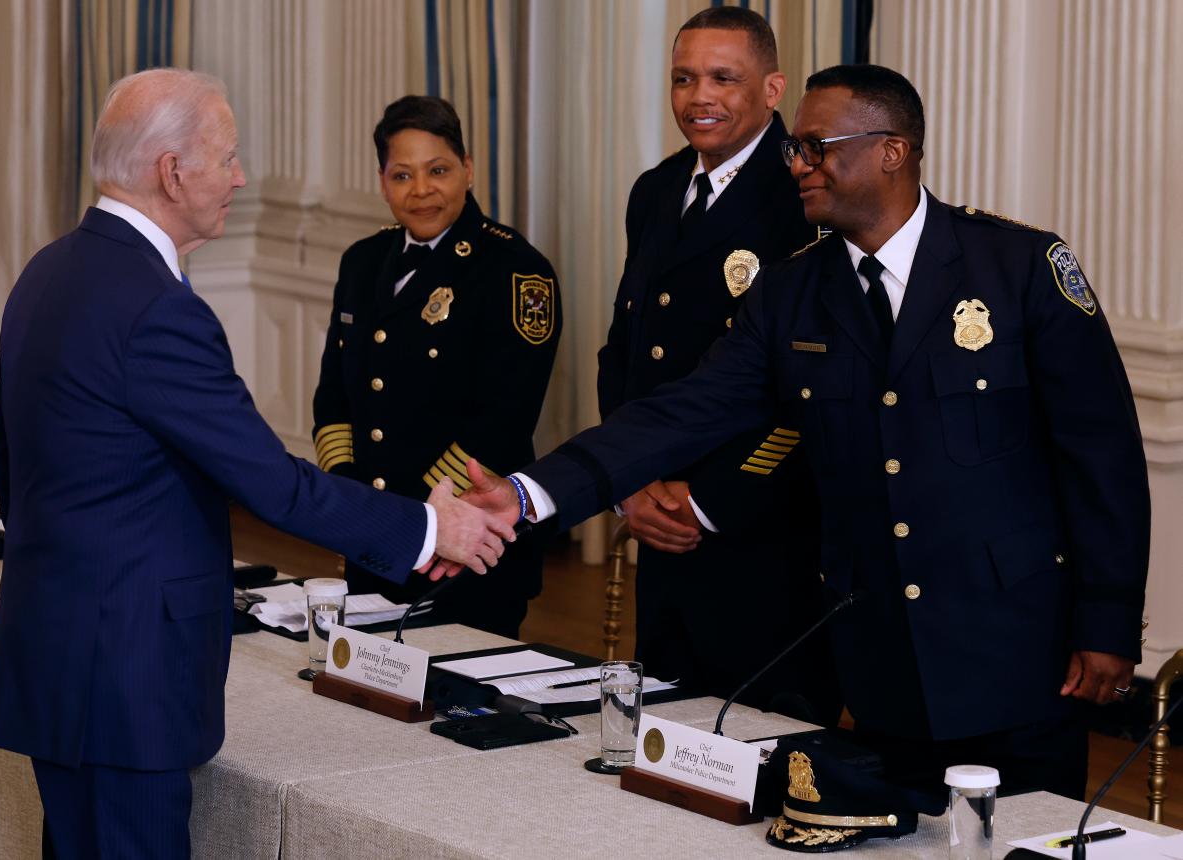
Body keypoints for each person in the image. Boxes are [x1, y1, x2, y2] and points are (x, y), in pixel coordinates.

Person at [459, 64, 1149, 801]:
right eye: (794, 149)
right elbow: (682, 411)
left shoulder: (1019, 267)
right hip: (881, 658)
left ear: (893, 150)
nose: (797, 165)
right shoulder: (792, 293)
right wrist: (532, 494)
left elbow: (1101, 455)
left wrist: (1107, 623)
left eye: (817, 147)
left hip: (1018, 649)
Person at [0, 69, 514, 858]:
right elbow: (271, 481)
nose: (239, 177)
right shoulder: (158, 307)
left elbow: (9, 461)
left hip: (55, 652)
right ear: (172, 172)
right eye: (227, 159)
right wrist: (427, 528)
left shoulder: (50, 269)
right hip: (127, 675)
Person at [597, 6, 838, 720]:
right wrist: (630, 477)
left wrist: (704, 500)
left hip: (762, 527)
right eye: (683, 78)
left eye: (723, 78)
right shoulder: (657, 190)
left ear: (772, 90)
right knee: (669, 739)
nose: (699, 95)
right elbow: (627, 351)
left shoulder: (807, 198)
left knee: (765, 749)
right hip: (658, 518)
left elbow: (811, 387)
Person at [311, 96, 561, 638]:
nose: (421, 190)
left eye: (438, 170)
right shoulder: (362, 262)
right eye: (402, 174)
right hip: (378, 535)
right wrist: (354, 497)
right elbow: (334, 397)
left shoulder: (517, 271)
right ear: (382, 181)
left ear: (468, 170)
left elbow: (505, 419)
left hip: (470, 540)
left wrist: (416, 515)